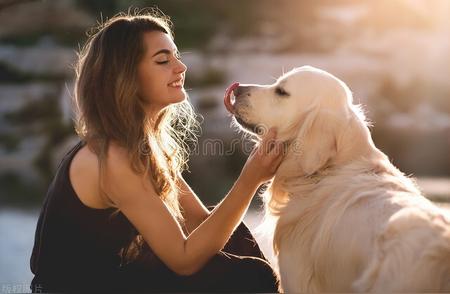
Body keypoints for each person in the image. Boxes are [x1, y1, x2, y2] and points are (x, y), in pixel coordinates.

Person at [30, 10, 284, 293]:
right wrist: (251, 179)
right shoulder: (111, 156)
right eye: (163, 60)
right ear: (126, 76)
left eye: (177, 56)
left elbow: (199, 221)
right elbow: (184, 260)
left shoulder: (139, 146)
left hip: (117, 280)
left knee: (234, 232)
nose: (180, 67)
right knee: (250, 275)